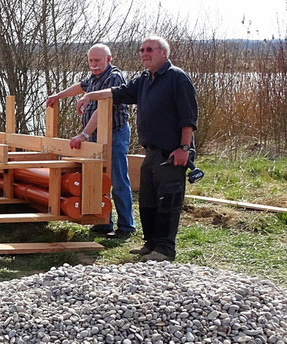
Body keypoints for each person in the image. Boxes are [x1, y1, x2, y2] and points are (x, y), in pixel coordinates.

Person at [78, 36, 198, 262]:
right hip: (151, 152)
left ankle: (164, 249)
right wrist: (91, 95)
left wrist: (184, 147)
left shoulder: (177, 78)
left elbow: (188, 118)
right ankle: (150, 243)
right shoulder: (144, 79)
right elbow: (118, 92)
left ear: (164, 53)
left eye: (149, 49)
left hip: (172, 153)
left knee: (167, 202)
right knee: (148, 201)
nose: (144, 53)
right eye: (142, 49)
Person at [46, 44, 135, 238]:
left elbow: (102, 110)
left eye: (97, 61)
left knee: (117, 179)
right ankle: (103, 221)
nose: (94, 65)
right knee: (98, 178)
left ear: (108, 60)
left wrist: (83, 135)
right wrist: (58, 96)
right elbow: (80, 86)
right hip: (96, 134)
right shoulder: (95, 77)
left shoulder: (114, 77)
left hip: (114, 134)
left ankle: (126, 227)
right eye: (91, 61)